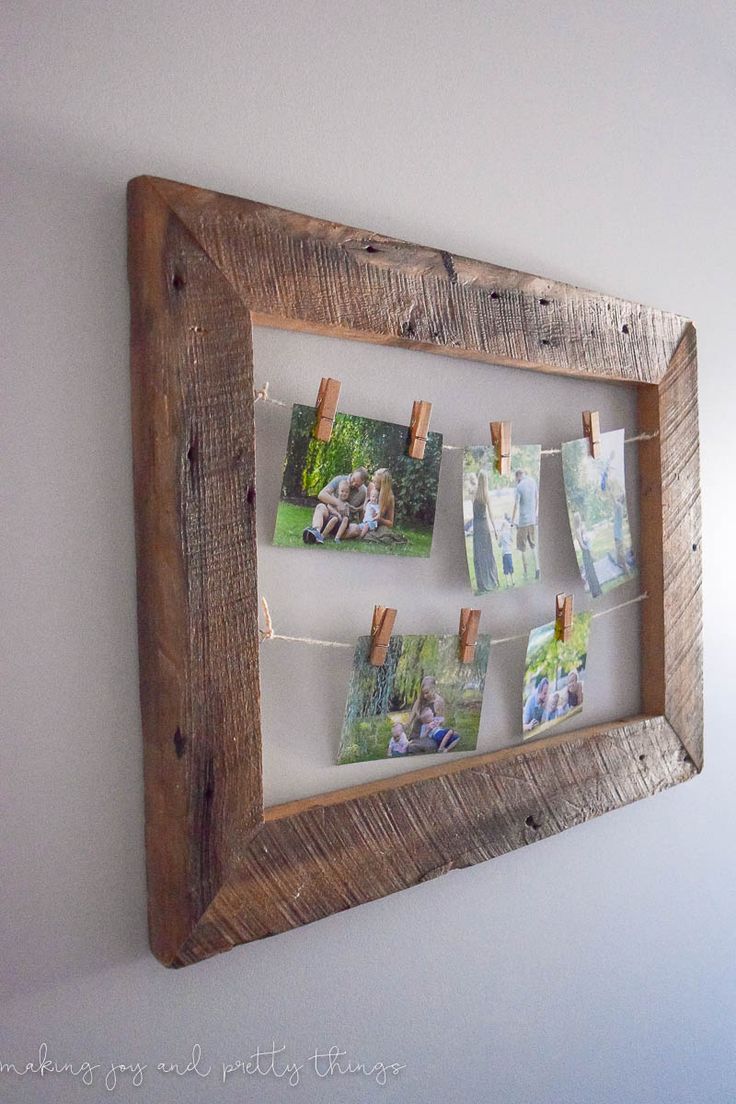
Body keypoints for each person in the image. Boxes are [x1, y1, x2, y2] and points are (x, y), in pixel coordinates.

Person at [302, 468, 368, 544]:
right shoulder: (339, 479)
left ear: (362, 483)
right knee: (320, 507)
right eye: (353, 480)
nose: (353, 484)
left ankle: (331, 536)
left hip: (343, 525)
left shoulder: (363, 492)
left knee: (356, 529)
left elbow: (364, 510)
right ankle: (316, 531)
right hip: (330, 516)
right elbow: (321, 495)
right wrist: (338, 503)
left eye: (357, 484)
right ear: (353, 473)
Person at [471, 471, 499, 591]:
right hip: (484, 526)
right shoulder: (486, 495)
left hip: (477, 526)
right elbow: (491, 515)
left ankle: (481, 583)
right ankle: (491, 579)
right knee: (487, 553)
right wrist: (495, 529)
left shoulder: (474, 493)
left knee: (478, 554)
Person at [511, 469, 539, 580]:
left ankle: (526, 570)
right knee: (533, 545)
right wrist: (534, 513)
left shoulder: (519, 487)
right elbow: (537, 498)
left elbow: (516, 505)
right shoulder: (532, 481)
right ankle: (537, 568)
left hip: (523, 522)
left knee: (521, 547)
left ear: (518, 476)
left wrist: (512, 521)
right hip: (532, 520)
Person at [572, 511, 602, 597]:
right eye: (578, 518)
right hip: (585, 552)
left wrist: (589, 542)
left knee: (592, 570)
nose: (579, 519)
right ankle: (595, 591)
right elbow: (581, 544)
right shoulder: (577, 530)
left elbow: (586, 538)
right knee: (589, 571)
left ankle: (597, 589)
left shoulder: (582, 527)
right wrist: (587, 547)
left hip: (587, 550)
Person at [613, 493, 629, 573]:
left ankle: (625, 569)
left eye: (619, 496)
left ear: (621, 499)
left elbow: (613, 500)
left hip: (618, 534)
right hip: (616, 533)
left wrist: (609, 490)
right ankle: (622, 566)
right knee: (618, 551)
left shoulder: (619, 506)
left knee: (620, 552)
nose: (617, 496)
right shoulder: (618, 507)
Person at [499, 514, 515, 587]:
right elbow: (512, 540)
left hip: (504, 553)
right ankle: (513, 581)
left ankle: (507, 583)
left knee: (505, 568)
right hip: (509, 553)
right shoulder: (508, 533)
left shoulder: (501, 535)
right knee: (511, 567)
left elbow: (499, 545)